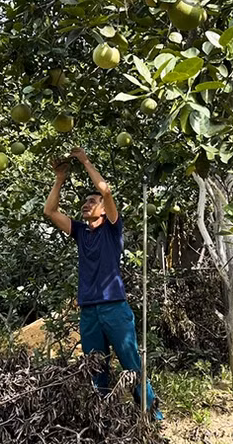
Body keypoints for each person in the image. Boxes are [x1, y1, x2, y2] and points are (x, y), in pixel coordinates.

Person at [43, 147, 162, 419]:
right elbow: (50, 211)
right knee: (96, 366)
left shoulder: (112, 228)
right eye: (84, 202)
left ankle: (150, 415)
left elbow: (106, 191)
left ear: (102, 209)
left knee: (131, 362)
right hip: (89, 309)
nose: (87, 204)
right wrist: (60, 177)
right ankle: (104, 417)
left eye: (91, 202)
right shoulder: (80, 231)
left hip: (115, 307)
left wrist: (85, 160)